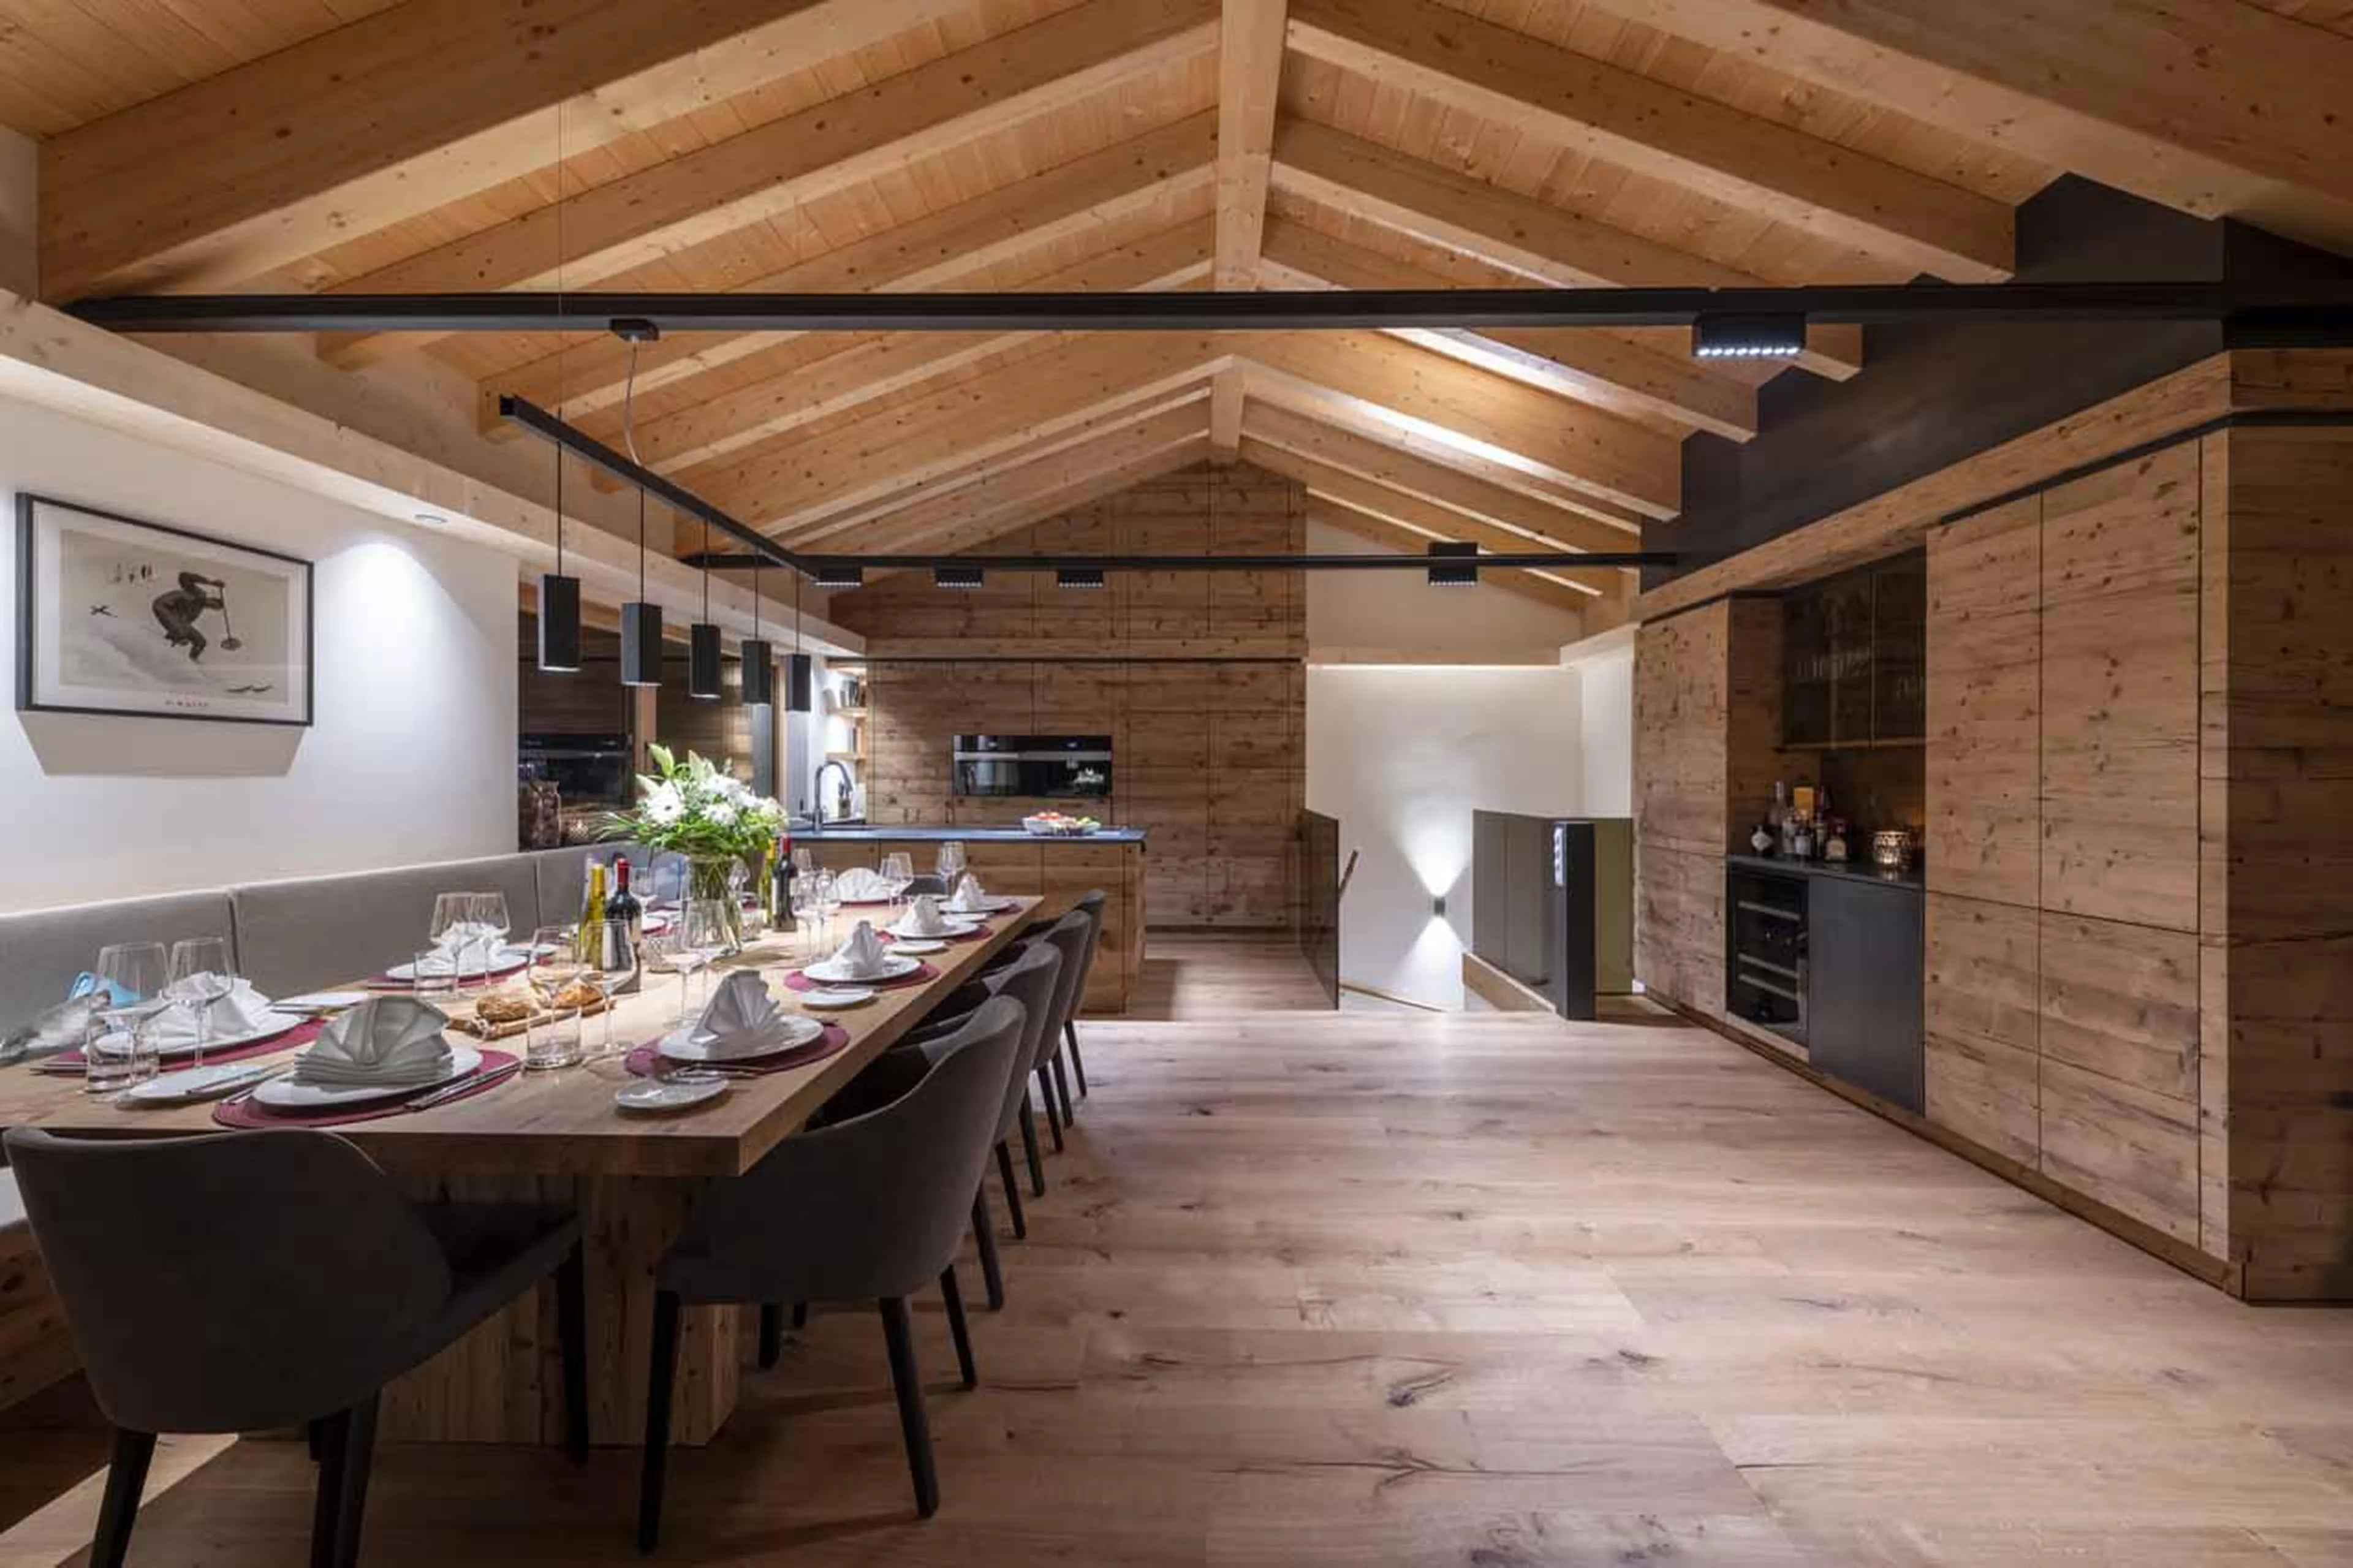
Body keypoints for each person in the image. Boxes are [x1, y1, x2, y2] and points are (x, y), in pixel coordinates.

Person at [151, 570, 226, 662]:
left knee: (201, 642)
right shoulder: (198, 594)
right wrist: (210, 582)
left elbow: (184, 624)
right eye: (213, 603)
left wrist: (179, 636)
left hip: (173, 617)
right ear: (211, 599)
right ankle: (175, 638)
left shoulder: (195, 613)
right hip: (164, 605)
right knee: (181, 633)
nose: (211, 606)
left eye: (214, 608)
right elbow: (184, 576)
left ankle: (193, 661)